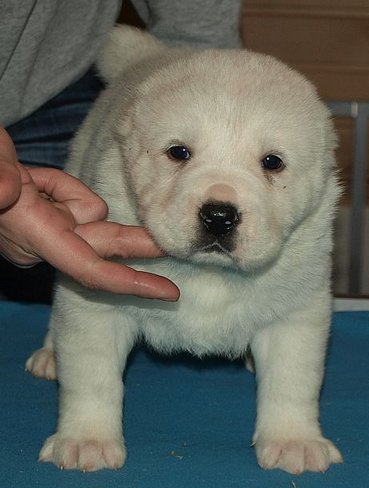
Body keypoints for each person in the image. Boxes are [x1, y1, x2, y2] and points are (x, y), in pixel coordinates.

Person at [0, 0, 241, 301]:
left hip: (52, 88)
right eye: (179, 153)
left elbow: (197, 44)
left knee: (81, 227)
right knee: (69, 265)